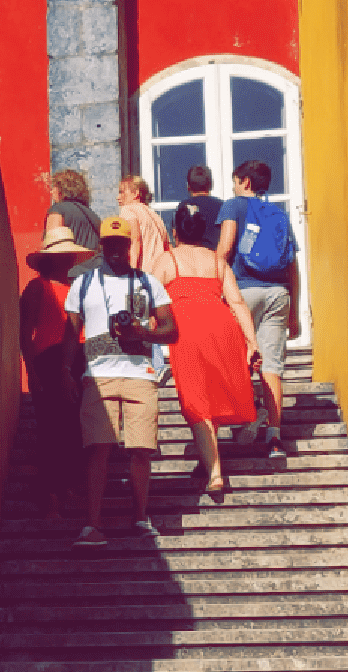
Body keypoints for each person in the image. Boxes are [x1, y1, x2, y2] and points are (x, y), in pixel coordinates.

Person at [66, 216, 166, 541]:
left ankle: (140, 518)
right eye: (109, 244)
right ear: (102, 246)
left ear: (129, 246)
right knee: (98, 449)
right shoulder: (82, 284)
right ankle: (92, 524)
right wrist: (66, 371)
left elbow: (173, 329)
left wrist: (143, 331)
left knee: (142, 449)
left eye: (121, 244)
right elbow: (70, 334)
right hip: (97, 376)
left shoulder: (148, 282)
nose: (115, 251)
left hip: (140, 375)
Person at [161, 197, 258, 506]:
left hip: (187, 331)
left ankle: (215, 472)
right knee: (211, 392)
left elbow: (149, 299)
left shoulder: (168, 260)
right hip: (222, 326)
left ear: (175, 231)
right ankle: (216, 453)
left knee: (195, 401)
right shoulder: (218, 261)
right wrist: (252, 341)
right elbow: (238, 302)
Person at [219, 162, 301, 447]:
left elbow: (226, 248)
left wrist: (210, 275)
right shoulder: (280, 214)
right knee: (272, 367)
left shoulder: (234, 206)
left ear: (245, 182)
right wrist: (295, 315)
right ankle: (275, 436)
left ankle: (247, 417)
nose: (233, 187)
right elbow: (293, 267)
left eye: (234, 182)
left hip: (243, 293)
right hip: (279, 294)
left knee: (237, 359)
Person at [18, 228, 93, 531]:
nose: (71, 258)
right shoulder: (37, 288)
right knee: (51, 430)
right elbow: (25, 333)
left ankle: (66, 489)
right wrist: (32, 373)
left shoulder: (75, 287)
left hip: (77, 361)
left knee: (73, 429)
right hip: (48, 362)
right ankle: (50, 497)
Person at [116, 173, 177, 287]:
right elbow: (168, 248)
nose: (118, 197)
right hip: (160, 277)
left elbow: (135, 242)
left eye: (122, 192)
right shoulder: (156, 216)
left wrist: (130, 277)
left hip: (142, 276)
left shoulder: (128, 210)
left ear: (136, 193)